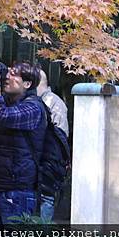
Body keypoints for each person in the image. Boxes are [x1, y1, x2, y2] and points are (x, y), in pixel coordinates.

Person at [0, 61, 46, 226]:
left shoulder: (33, 108)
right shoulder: (5, 101)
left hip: (18, 191)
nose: (7, 77)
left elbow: (1, 115)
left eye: (14, 74)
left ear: (27, 84)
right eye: (8, 72)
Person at [36, 69, 69, 222]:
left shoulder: (54, 103)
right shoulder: (37, 101)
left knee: (46, 197)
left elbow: (60, 135)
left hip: (50, 158)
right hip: (40, 156)